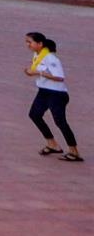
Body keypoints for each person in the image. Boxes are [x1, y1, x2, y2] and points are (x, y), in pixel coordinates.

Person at [24, 32, 79, 162]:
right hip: (43, 91)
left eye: (29, 42)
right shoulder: (37, 55)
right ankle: (52, 144)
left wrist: (39, 72)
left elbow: (60, 77)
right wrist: (31, 73)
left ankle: (74, 151)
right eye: (26, 41)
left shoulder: (51, 58)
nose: (27, 45)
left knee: (60, 121)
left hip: (56, 94)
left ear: (40, 44)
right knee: (34, 115)